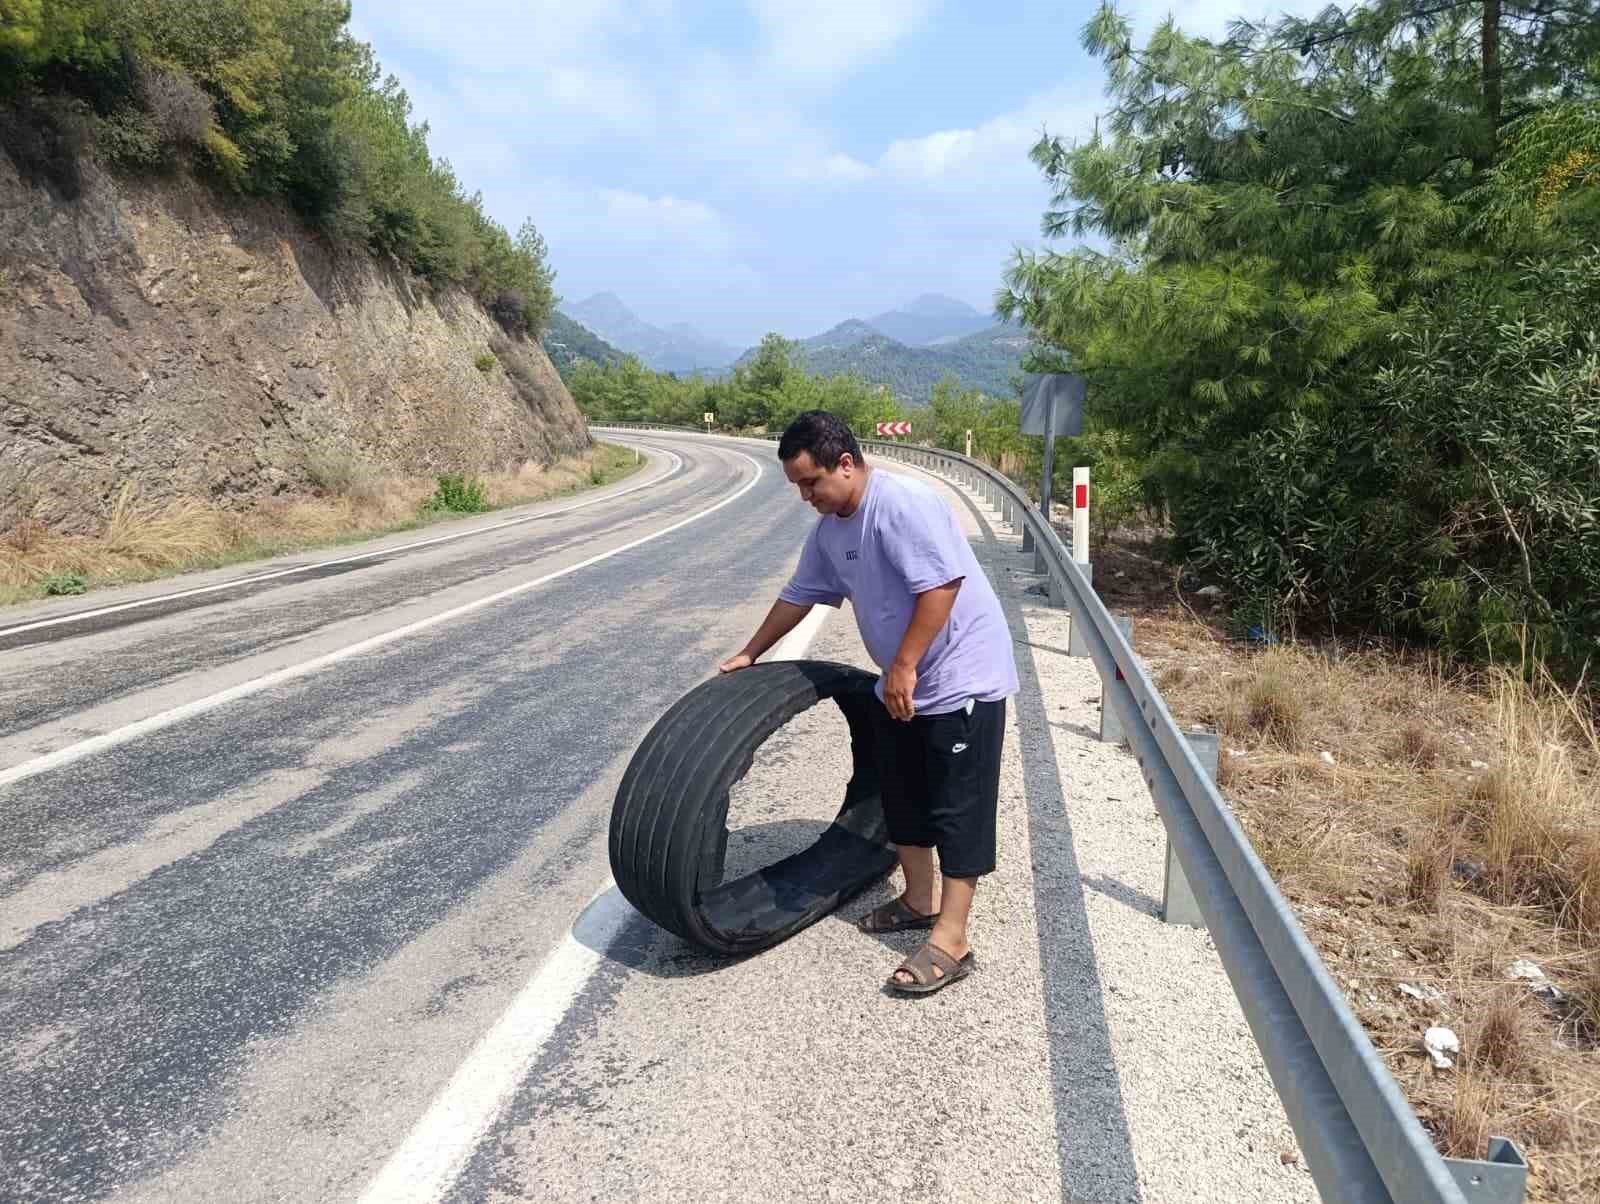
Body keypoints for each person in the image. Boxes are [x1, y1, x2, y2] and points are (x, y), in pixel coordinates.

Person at [719, 410, 1018, 995]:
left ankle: (953, 939)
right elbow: (799, 596)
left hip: (962, 678)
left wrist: (903, 664)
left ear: (847, 464)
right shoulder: (831, 533)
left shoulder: (902, 506)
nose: (806, 496)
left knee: (958, 805)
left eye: (812, 482)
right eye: (798, 486)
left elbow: (941, 587)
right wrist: (751, 652)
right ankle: (918, 899)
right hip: (904, 682)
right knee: (901, 790)